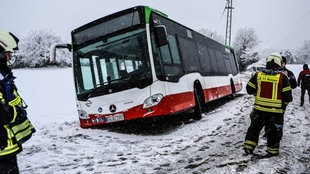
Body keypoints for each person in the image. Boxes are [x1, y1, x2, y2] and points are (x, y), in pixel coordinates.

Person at [243, 52, 292, 157]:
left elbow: (249, 90)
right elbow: (288, 97)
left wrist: (258, 91)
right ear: (279, 63)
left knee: (254, 129)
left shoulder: (258, 75)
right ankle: (272, 151)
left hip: (259, 110)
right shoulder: (282, 77)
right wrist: (283, 107)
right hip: (276, 112)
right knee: (274, 132)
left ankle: (248, 147)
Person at [0, 29, 35, 173]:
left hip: (6, 148)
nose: (9, 58)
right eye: (8, 54)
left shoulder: (3, 75)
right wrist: (15, 112)